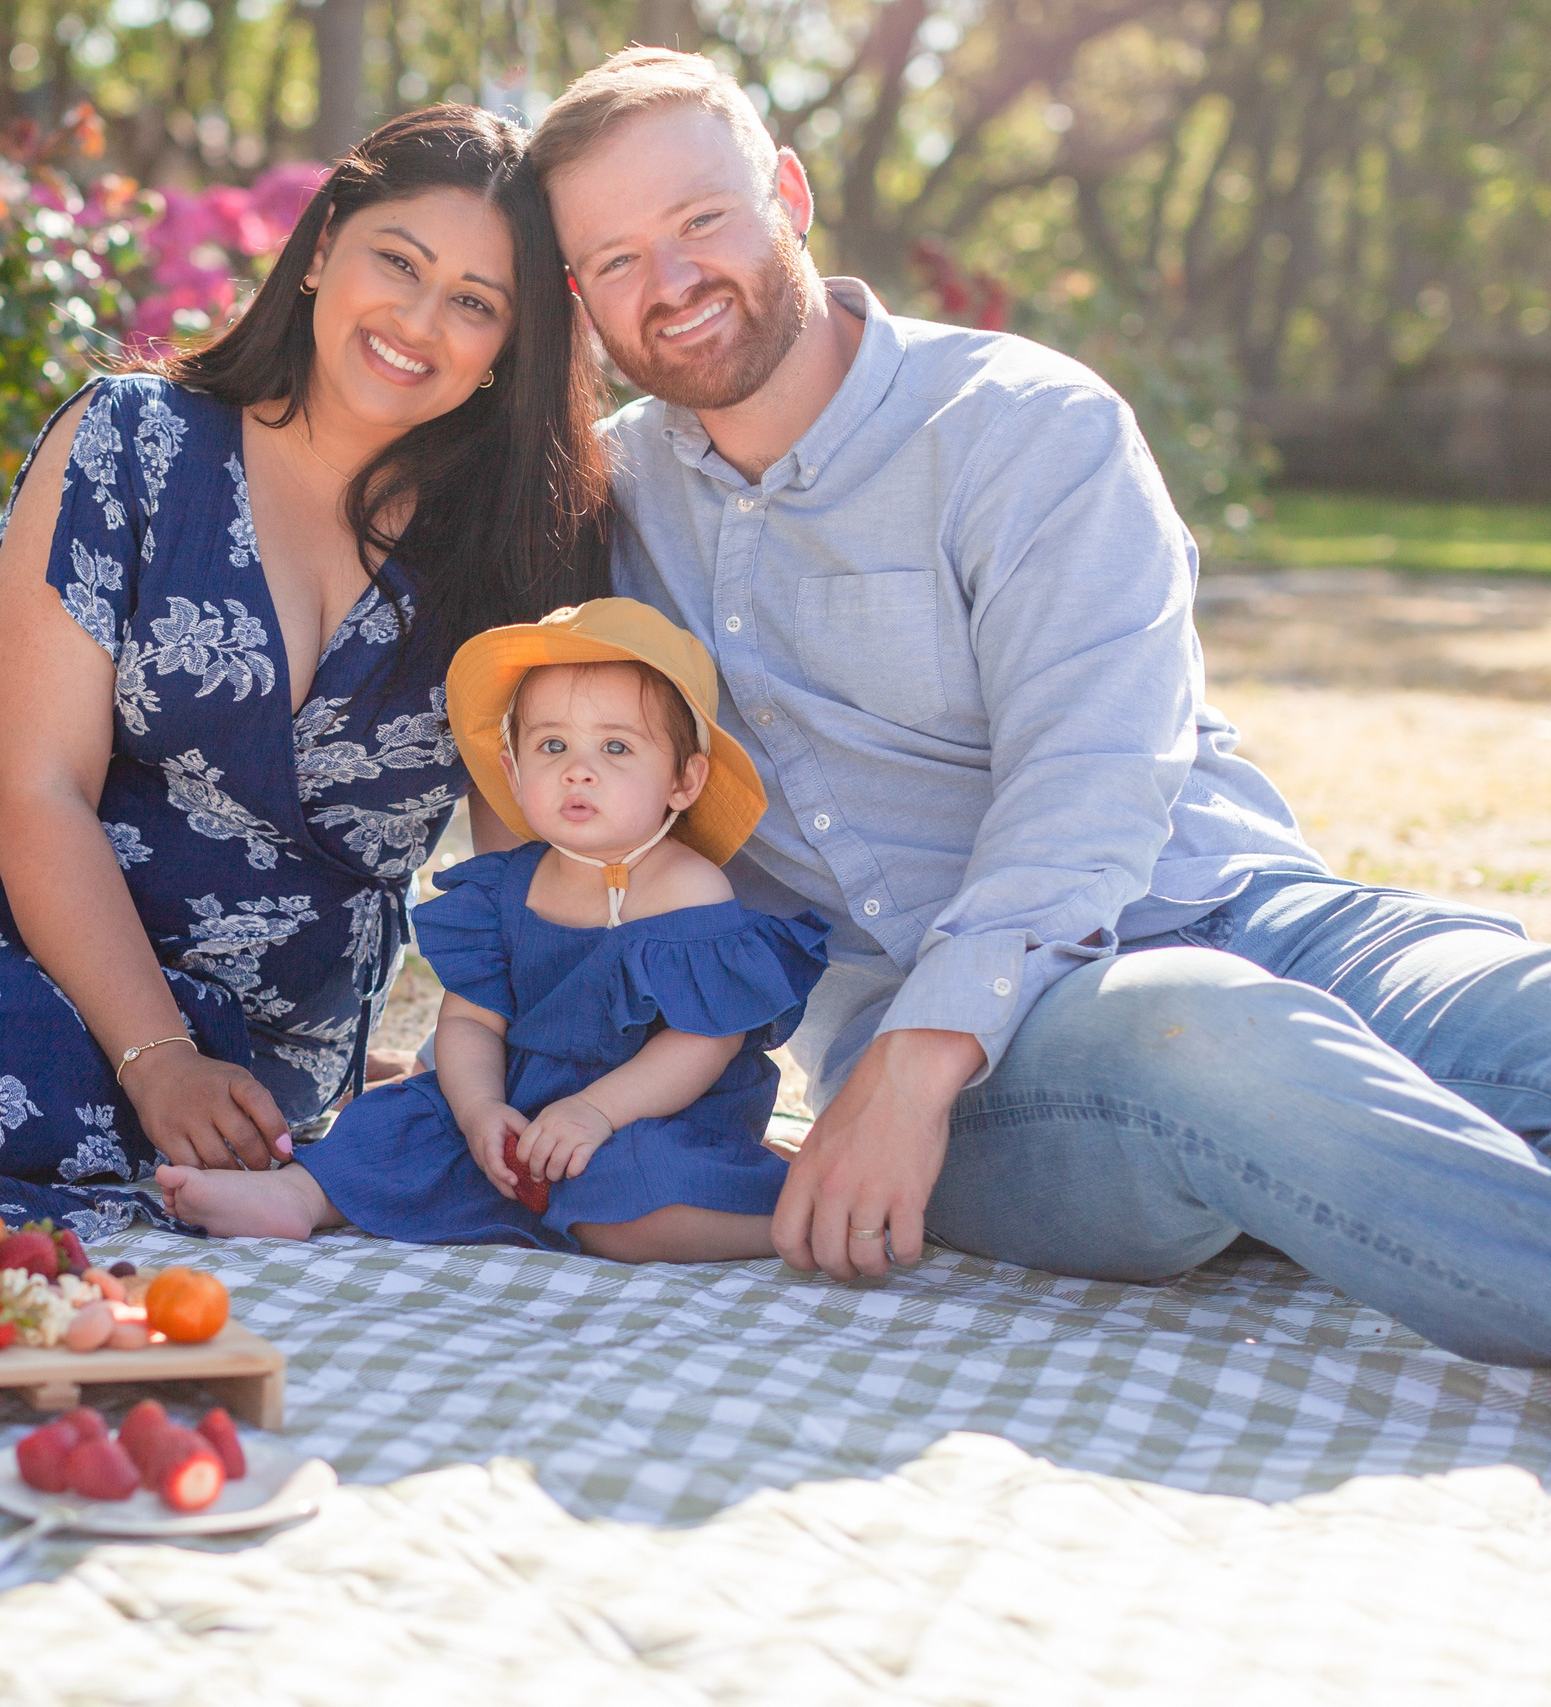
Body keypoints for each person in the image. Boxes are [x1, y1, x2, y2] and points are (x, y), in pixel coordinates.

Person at [524, 47, 1551, 1363]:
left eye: (700, 219)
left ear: (790, 192)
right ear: (579, 297)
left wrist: (916, 1055)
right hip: (1020, 1065)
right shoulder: (606, 508)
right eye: (614, 259)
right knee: (1205, 1034)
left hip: (1251, 913)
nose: (670, 281)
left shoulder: (1024, 426)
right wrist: (911, 1057)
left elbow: (1093, 770)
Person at [0, 105, 608, 1236]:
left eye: (475, 303)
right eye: (400, 261)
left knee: (20, 1080)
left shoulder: (516, 552)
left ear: (509, 347)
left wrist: (534, 1085)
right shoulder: (132, 439)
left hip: (247, 1028)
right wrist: (156, 1056)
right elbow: (35, 786)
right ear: (323, 245)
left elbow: (528, 867)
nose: (419, 321)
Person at [162, 599, 828, 1258]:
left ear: (684, 780)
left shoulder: (687, 889)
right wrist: (480, 1110)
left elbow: (704, 1043)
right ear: (513, 770)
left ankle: (793, 1225)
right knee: (393, 1120)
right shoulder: (501, 889)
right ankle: (298, 1196)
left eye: (617, 746)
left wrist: (596, 1112)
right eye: (552, 744)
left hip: (652, 1112)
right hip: (518, 1104)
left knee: (633, 1192)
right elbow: (471, 1023)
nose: (578, 768)